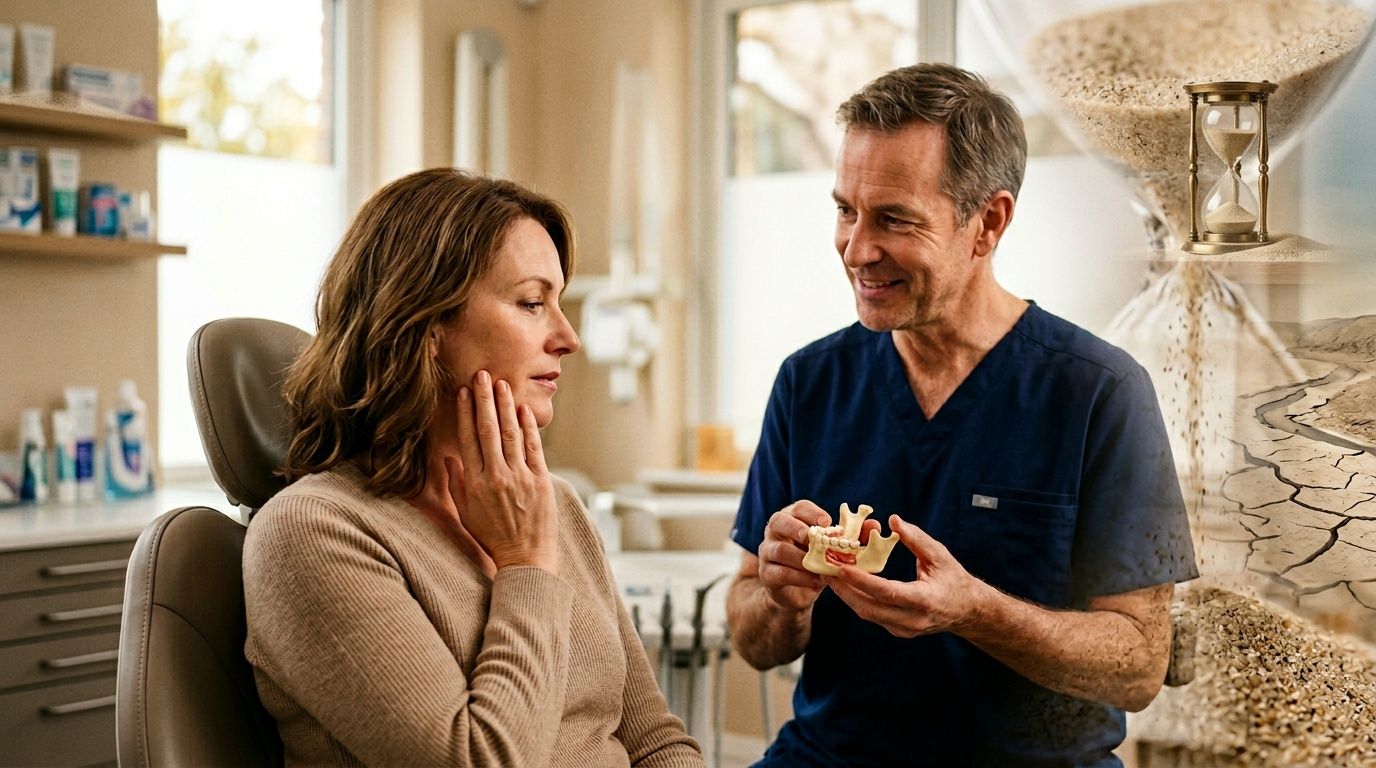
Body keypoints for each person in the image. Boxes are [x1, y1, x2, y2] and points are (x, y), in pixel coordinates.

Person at [725, 63, 1198, 767]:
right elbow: (751, 637)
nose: (856, 249)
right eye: (846, 210)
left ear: (989, 222)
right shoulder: (809, 383)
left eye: (894, 219)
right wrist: (782, 597)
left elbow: (1136, 665)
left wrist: (977, 612)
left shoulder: (1099, 393)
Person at [242, 168, 703, 767]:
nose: (569, 337)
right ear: (426, 326)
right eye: (532, 303)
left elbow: (653, 740)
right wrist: (526, 564)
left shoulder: (553, 503)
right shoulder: (311, 534)